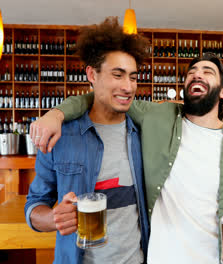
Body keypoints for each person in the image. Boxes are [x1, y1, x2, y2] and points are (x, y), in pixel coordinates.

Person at [31, 53, 223, 263]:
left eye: (207, 72)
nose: (197, 75)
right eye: (191, 72)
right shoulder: (159, 116)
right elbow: (102, 96)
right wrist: (56, 114)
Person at [24, 17, 151, 264]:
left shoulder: (144, 133)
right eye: (118, 75)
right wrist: (52, 219)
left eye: (133, 77)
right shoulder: (61, 135)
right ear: (92, 74)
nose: (128, 87)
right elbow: (35, 204)